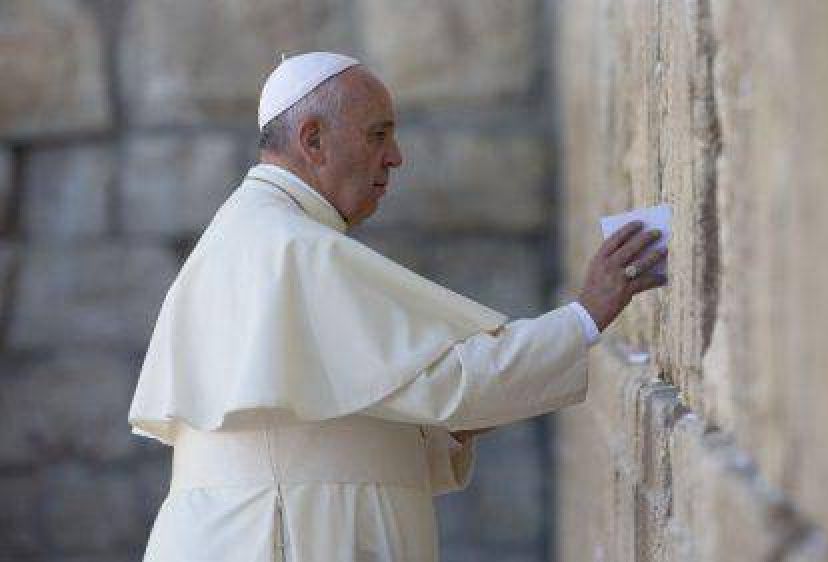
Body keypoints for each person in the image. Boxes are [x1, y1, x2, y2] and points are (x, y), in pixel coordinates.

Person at [128, 52, 667, 562]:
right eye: (377, 134)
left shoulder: (255, 231)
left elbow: (358, 407)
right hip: (287, 534)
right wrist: (586, 314)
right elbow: (448, 381)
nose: (395, 156)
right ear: (313, 139)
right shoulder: (293, 248)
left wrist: (452, 423)